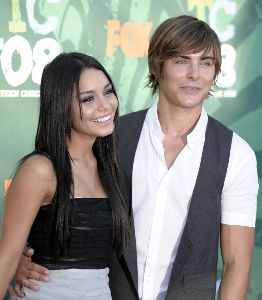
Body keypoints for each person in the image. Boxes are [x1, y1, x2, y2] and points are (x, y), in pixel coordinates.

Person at [15, 15, 258, 300]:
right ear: (156, 66)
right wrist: (25, 259)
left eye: (205, 62)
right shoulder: (109, 137)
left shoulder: (236, 154)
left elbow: (237, 264)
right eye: (181, 61)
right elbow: (56, 203)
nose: (195, 74)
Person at [0, 52, 130, 299]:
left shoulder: (109, 168)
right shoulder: (40, 170)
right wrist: (16, 262)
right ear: (61, 106)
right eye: (88, 98)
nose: (105, 105)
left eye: (108, 91)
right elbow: (5, 260)